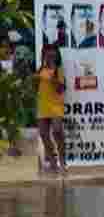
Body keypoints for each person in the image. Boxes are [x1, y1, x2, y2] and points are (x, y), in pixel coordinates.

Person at [35, 43, 67, 174]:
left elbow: (61, 89)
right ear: (44, 56)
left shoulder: (59, 70)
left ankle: (63, 161)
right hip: (43, 105)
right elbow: (36, 87)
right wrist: (35, 79)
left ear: (56, 56)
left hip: (56, 105)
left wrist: (52, 75)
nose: (49, 56)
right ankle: (53, 163)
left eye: (52, 54)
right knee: (43, 134)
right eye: (47, 54)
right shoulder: (40, 69)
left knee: (57, 131)